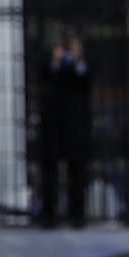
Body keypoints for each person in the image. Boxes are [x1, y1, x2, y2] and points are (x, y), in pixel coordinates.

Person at [38, 34, 92, 228]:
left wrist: (76, 60)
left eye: (73, 46)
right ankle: (49, 215)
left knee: (77, 172)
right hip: (53, 127)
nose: (69, 50)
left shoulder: (81, 66)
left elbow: (86, 81)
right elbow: (42, 77)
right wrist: (55, 59)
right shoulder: (53, 65)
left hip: (76, 129)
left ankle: (78, 215)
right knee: (50, 171)